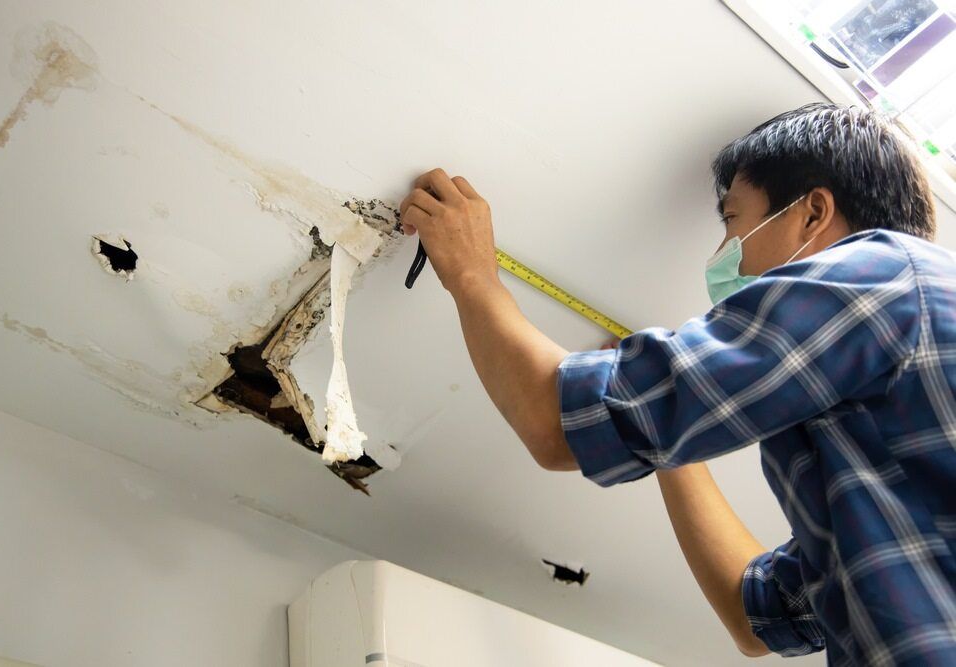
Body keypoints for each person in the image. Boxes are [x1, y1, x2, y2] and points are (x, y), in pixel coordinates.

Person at [398, 103, 956, 665]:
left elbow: (553, 425)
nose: (720, 257)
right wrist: (672, 436)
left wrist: (472, 272)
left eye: (733, 222)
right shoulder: (880, 447)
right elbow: (757, 619)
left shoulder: (881, 276)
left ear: (812, 214)